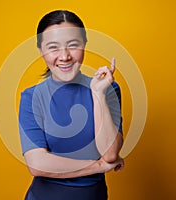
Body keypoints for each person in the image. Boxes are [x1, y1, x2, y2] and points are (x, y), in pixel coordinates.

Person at [19, 10, 124, 200]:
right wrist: (98, 166)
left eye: (73, 45)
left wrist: (98, 94)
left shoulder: (107, 89)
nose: (64, 56)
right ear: (41, 50)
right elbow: (37, 164)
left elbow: (109, 154)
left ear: (84, 45)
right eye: (53, 47)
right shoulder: (32, 97)